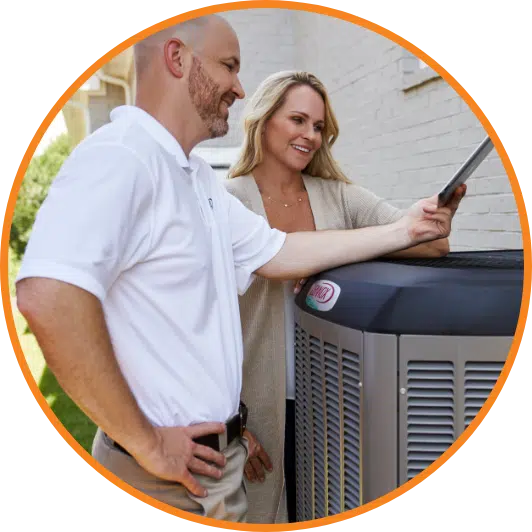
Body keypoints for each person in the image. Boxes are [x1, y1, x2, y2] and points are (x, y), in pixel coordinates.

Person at [14, 14, 465, 524]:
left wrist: (404, 231)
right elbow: (48, 296)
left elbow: (278, 253)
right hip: (164, 475)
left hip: (210, 468)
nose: (239, 86)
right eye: (229, 66)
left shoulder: (194, 180)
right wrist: (148, 443)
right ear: (178, 58)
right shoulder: (124, 159)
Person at [224, 70, 466, 524]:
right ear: (264, 119)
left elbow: (428, 244)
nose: (310, 136)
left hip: (333, 403)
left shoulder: (337, 197)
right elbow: (200, 324)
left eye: (319, 127)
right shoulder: (227, 202)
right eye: (298, 120)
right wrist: (229, 423)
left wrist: (431, 222)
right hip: (254, 411)